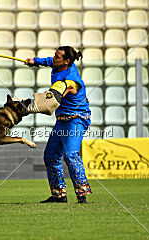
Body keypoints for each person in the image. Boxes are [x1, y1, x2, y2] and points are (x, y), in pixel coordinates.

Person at [25, 46, 92, 204]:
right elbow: (49, 61)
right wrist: (36, 61)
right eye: (55, 55)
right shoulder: (60, 64)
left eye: (57, 57)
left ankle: (82, 195)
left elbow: (52, 99)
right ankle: (59, 195)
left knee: (71, 155)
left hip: (77, 119)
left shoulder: (71, 80)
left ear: (66, 61)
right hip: (62, 120)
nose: (53, 58)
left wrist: (27, 107)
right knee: (51, 156)